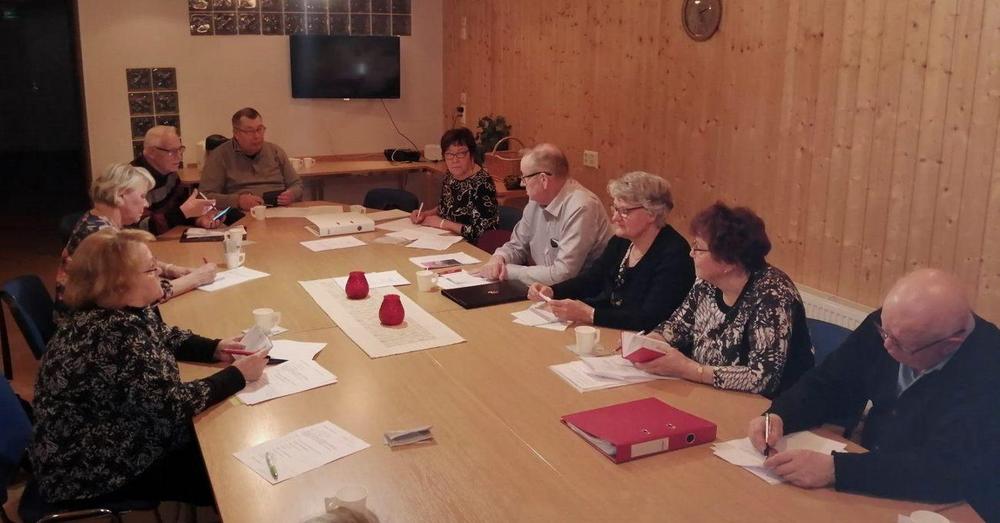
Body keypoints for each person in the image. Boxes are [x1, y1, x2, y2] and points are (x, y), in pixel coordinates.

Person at [31, 228, 269, 505]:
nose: (159, 272)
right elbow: (170, 407)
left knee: (220, 437)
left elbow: (164, 335)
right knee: (229, 472)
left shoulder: (118, 310)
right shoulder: (114, 334)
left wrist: (215, 348)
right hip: (91, 469)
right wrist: (238, 375)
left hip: (113, 434)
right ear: (119, 284)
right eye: (150, 269)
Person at [747, 269, 1000, 504]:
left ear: (949, 345)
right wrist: (780, 415)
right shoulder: (892, 326)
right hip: (868, 482)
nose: (887, 346)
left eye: (901, 344)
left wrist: (836, 470)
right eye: (884, 333)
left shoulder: (988, 368)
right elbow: (828, 383)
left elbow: (946, 471)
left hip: (939, 503)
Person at [636, 202, 813, 397]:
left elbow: (762, 379)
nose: (690, 253)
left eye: (698, 249)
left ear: (729, 261)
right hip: (710, 392)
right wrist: (649, 343)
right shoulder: (706, 284)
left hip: (766, 404)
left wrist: (689, 369)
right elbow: (676, 328)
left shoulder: (772, 295)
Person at [527, 171, 694, 331]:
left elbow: (649, 318)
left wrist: (590, 314)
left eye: (625, 211)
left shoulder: (674, 254)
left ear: (652, 213)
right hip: (612, 329)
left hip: (644, 339)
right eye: (615, 209)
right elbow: (592, 279)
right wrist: (553, 290)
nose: (614, 218)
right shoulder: (622, 241)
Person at [54, 163, 217, 318]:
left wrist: (171, 269)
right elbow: (146, 294)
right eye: (142, 196)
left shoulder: (95, 220)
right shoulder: (103, 239)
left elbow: (131, 264)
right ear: (120, 195)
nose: (146, 203)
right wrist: (198, 278)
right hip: (92, 325)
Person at [476, 143, 611, 286]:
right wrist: (498, 258)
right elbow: (517, 246)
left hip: (582, 293)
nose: (522, 183)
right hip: (546, 290)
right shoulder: (535, 201)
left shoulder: (582, 207)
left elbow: (563, 274)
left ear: (543, 179)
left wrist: (508, 271)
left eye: (524, 177)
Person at [200, 107, 303, 211]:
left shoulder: (275, 151)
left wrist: (292, 194)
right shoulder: (220, 155)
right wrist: (237, 201)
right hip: (243, 213)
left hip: (280, 211)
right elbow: (204, 197)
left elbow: (296, 184)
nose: (257, 136)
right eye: (250, 131)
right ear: (236, 133)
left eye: (259, 129)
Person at [410, 127, 499, 243]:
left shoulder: (482, 183)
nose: (454, 160)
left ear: (471, 154)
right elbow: (445, 208)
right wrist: (425, 214)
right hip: (447, 238)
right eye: (449, 154)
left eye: (460, 153)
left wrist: (442, 223)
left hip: (474, 246)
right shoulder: (450, 176)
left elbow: (481, 232)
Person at [131, 125, 222, 235]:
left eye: (180, 150)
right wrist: (184, 212)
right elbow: (142, 227)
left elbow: (180, 208)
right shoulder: (133, 180)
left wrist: (198, 219)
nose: (179, 157)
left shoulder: (170, 174)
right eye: (172, 151)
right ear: (151, 153)